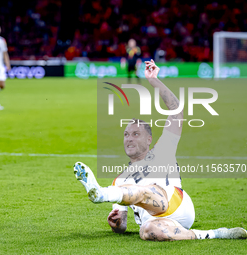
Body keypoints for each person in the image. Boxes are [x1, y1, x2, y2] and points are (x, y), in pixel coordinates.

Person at [73, 60, 247, 241]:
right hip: (155, 222)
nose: (129, 138)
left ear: (149, 139)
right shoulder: (119, 180)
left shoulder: (163, 149)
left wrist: (154, 80)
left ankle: (101, 194)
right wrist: (116, 224)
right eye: (126, 134)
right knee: (147, 232)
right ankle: (216, 234)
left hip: (176, 206)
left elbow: (176, 111)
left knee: (143, 190)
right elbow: (122, 226)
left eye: (135, 134)